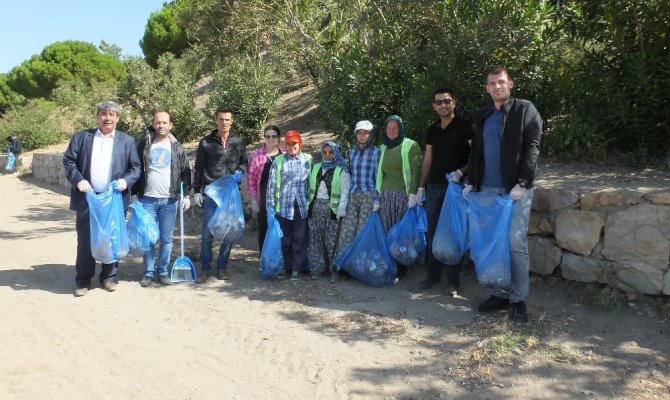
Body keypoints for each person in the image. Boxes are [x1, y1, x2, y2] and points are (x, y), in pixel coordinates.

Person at [464, 66, 542, 324]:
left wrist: (523, 182)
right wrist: (472, 182)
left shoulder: (524, 110)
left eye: (501, 82)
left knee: (514, 243)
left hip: (514, 191)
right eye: (492, 83)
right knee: (492, 244)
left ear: (511, 84)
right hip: (487, 189)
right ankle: (500, 292)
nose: (497, 86)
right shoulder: (484, 115)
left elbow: (532, 146)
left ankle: (518, 300)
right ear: (487, 88)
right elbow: (477, 153)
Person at [62, 101, 141, 297]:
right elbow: (69, 161)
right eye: (104, 114)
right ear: (97, 117)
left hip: (114, 200)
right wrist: (78, 180)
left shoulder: (127, 141)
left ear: (117, 119)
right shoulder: (81, 138)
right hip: (88, 199)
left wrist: (126, 181)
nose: (107, 118)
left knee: (111, 239)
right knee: (86, 239)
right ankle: (83, 280)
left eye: (112, 115)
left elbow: (136, 168)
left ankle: (108, 277)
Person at [414, 88, 473, 296]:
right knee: (432, 233)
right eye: (438, 102)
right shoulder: (432, 130)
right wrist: (421, 186)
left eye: (446, 101)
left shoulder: (465, 127)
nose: (443, 105)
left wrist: (461, 172)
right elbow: (428, 160)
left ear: (454, 102)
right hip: (434, 187)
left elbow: (476, 155)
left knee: (454, 233)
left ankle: (453, 281)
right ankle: (432, 276)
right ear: (434, 106)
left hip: (455, 188)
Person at [132, 110, 192, 287]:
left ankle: (163, 271)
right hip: (147, 200)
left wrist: (186, 194)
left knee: (166, 239)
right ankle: (149, 272)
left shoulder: (177, 146)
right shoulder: (145, 144)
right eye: (158, 122)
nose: (161, 125)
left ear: (170, 125)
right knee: (148, 238)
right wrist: (135, 194)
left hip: (169, 200)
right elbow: (137, 169)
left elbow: (185, 172)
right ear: (153, 123)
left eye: (165, 123)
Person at [193, 107, 248, 283]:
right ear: (216, 120)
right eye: (221, 119)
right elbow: (199, 167)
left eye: (227, 119)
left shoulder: (238, 141)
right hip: (212, 192)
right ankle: (205, 269)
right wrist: (196, 191)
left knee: (228, 230)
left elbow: (243, 163)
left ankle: (222, 267)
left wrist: (239, 173)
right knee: (207, 232)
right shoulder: (206, 142)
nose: (224, 122)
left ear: (232, 121)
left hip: (230, 193)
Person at [376, 115, 422, 278]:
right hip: (386, 197)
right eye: (389, 128)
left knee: (402, 234)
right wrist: (377, 197)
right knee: (388, 230)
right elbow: (379, 174)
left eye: (395, 128)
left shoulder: (410, 145)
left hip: (403, 196)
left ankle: (403, 265)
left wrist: (413, 194)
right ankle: (390, 264)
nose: (392, 131)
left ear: (401, 128)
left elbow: (416, 171)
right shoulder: (382, 148)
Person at [336, 120, 380, 279]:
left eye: (365, 133)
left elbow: (378, 177)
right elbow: (348, 175)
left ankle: (360, 268)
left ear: (370, 134)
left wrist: (377, 199)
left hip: (368, 195)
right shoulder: (352, 153)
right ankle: (344, 267)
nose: (362, 136)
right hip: (353, 195)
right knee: (347, 232)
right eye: (359, 133)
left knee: (363, 231)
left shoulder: (376, 152)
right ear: (356, 134)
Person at [266, 130, 312, 281]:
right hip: (283, 207)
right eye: (288, 143)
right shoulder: (279, 161)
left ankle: (297, 270)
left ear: (300, 144)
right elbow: (271, 186)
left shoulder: (308, 160)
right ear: (284, 145)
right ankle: (286, 268)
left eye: (294, 143)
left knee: (300, 239)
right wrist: (270, 208)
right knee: (285, 240)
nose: (291, 146)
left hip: (302, 207)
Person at [307, 141, 350, 282]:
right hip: (316, 208)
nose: (327, 155)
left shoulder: (341, 170)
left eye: (330, 152)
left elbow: (345, 192)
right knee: (315, 240)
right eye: (324, 152)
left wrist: (342, 208)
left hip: (333, 211)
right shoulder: (316, 167)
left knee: (333, 242)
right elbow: (310, 188)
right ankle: (317, 268)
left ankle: (334, 270)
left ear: (335, 152)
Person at [247, 125, 284, 252]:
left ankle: (280, 260)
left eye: (274, 136)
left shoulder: (284, 154)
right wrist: (253, 201)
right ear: (264, 138)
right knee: (264, 228)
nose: (270, 139)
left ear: (278, 138)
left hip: (282, 199)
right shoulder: (257, 156)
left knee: (281, 228)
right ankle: (264, 258)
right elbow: (251, 180)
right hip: (263, 199)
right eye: (267, 136)